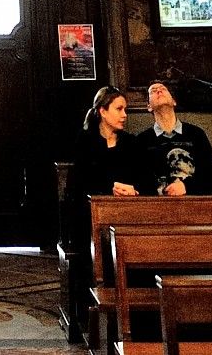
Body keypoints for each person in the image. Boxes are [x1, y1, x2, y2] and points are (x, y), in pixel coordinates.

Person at [60, 85, 146, 343]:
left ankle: (136, 321)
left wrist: (134, 189)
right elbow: (77, 185)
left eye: (126, 110)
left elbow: (145, 179)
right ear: (102, 111)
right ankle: (94, 317)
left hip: (126, 219)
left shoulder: (131, 144)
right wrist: (108, 188)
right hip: (90, 220)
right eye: (118, 109)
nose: (124, 115)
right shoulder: (85, 142)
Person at [138, 80, 212, 195]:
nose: (158, 91)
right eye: (153, 91)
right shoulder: (142, 140)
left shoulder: (196, 134)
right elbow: (140, 181)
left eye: (163, 89)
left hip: (195, 204)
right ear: (149, 107)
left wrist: (186, 186)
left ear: (174, 101)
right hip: (158, 206)